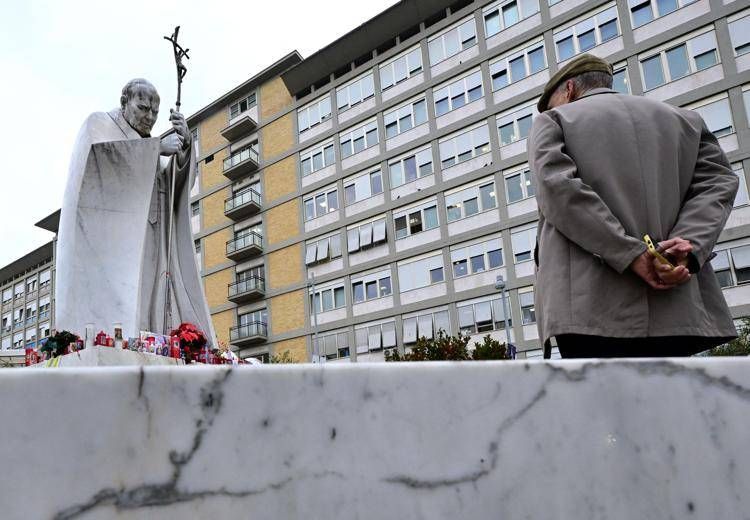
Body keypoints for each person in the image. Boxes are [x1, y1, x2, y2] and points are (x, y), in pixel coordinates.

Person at [528, 54, 738, 358]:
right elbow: (719, 182)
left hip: (590, 312)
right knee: (670, 402)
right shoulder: (687, 122)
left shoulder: (554, 121)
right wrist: (687, 249)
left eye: (553, 101)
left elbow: (558, 190)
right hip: (676, 305)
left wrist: (630, 254)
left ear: (569, 89)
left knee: (600, 403)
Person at [56, 79, 216, 343]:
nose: (150, 118)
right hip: (114, 243)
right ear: (124, 102)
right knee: (127, 300)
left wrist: (185, 148)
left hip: (152, 231)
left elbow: (169, 184)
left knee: (149, 298)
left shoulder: (146, 143)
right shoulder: (99, 124)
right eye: (143, 108)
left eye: (155, 112)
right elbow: (97, 163)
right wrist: (155, 149)